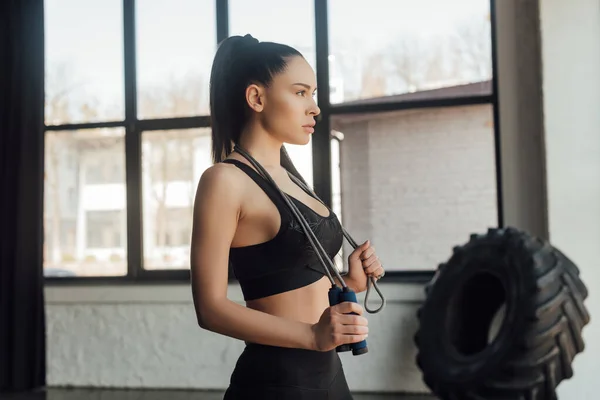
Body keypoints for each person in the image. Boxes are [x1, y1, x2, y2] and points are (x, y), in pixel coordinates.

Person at [189, 34, 385, 399]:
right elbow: (210, 309)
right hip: (275, 383)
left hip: (328, 377)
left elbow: (292, 278)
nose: (314, 108)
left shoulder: (289, 177)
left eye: (313, 93)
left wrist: (350, 282)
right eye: (300, 93)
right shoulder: (224, 181)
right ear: (256, 98)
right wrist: (312, 336)